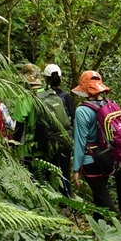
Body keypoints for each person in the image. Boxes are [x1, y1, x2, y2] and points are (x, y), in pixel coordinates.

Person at [71, 70, 121, 217]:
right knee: (99, 197)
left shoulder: (82, 110)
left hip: (91, 160)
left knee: (103, 199)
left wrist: (76, 169)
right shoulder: (110, 104)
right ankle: (99, 232)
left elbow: (80, 141)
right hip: (108, 158)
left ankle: (119, 231)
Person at [38, 64, 74, 196]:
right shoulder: (67, 96)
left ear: (46, 79)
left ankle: (51, 199)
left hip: (49, 140)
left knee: (48, 171)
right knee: (65, 171)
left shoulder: (42, 97)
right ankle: (67, 202)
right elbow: (73, 119)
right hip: (65, 140)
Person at [11, 64, 42, 167]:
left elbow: (19, 127)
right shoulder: (48, 94)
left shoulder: (24, 98)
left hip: (32, 147)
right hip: (49, 145)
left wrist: (13, 148)